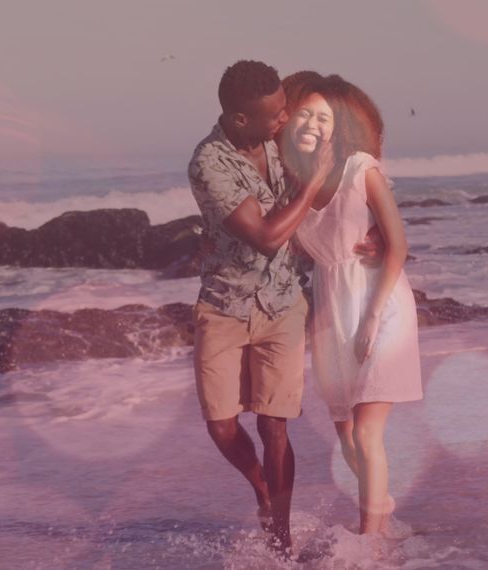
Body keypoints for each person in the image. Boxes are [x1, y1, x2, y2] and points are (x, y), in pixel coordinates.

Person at [186, 60, 377, 556]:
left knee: (275, 426)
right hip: (224, 305)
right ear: (240, 119)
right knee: (221, 425)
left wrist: (374, 230)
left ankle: (280, 540)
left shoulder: (278, 140)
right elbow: (269, 236)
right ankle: (262, 490)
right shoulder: (209, 163)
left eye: (283, 110)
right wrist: (312, 182)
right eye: (274, 115)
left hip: (283, 303)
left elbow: (353, 174)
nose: (284, 119)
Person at [279, 73, 423, 535]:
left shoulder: (361, 167)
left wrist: (372, 317)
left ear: (336, 126)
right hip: (329, 313)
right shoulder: (293, 185)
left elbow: (398, 246)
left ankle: (372, 547)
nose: (313, 122)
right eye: (304, 112)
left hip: (377, 306)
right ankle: (384, 514)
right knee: (344, 436)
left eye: (324, 116)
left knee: (366, 433)